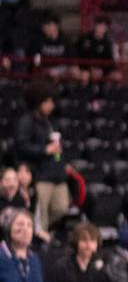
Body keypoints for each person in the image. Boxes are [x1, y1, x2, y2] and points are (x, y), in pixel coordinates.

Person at [13, 83, 70, 235]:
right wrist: (44, 150)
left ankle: (37, 232)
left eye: (52, 101)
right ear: (38, 101)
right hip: (40, 175)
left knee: (62, 207)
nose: (51, 105)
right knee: (41, 213)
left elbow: (56, 146)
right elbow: (21, 146)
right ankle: (38, 239)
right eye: (47, 101)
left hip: (57, 174)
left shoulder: (50, 122)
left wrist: (63, 163)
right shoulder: (26, 122)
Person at [49, 222, 115, 282]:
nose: (88, 245)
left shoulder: (103, 265)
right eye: (84, 240)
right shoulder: (62, 266)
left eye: (92, 240)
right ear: (76, 242)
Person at [0, 209, 44, 282]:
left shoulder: (35, 260)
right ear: (8, 228)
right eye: (20, 224)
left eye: (29, 225)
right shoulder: (2, 256)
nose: (25, 229)